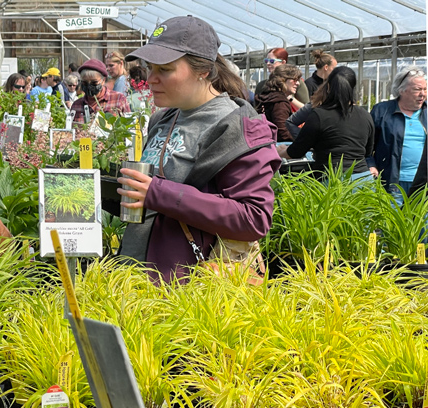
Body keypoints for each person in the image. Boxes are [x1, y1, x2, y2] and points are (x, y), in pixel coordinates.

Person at [117, 16, 281, 284]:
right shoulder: (163, 119)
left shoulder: (236, 125)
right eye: (150, 68)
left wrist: (158, 193)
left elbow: (254, 218)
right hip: (138, 278)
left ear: (203, 70)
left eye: (165, 69)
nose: (151, 79)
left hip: (188, 289)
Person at [277, 67, 374, 178]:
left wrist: (278, 152)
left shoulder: (319, 115)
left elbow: (296, 151)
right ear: (353, 88)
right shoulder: (366, 116)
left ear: (328, 87)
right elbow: (367, 152)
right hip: (363, 180)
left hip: (331, 182)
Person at [368, 66, 428, 204]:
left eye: (425, 89)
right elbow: (366, 145)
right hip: (391, 183)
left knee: (420, 224)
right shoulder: (382, 111)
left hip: (422, 186)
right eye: (417, 89)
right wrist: (371, 165)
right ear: (401, 90)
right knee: (390, 223)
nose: (423, 94)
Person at [70, 58, 130, 124]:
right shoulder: (77, 105)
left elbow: (129, 126)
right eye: (85, 83)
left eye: (94, 82)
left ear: (103, 80)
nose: (89, 86)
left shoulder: (118, 99)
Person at [255, 64, 302, 143]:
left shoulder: (266, 96)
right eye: (295, 80)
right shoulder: (279, 102)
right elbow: (283, 133)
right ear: (282, 80)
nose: (298, 83)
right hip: (278, 145)